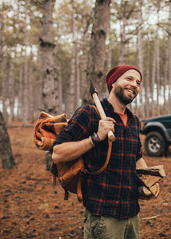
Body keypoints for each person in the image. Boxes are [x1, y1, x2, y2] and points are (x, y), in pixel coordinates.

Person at [52, 65, 148, 239]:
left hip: (132, 213)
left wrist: (150, 181)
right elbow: (58, 153)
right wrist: (96, 137)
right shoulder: (90, 113)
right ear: (113, 83)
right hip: (104, 216)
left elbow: (137, 157)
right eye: (129, 79)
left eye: (138, 82)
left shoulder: (134, 121)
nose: (134, 84)